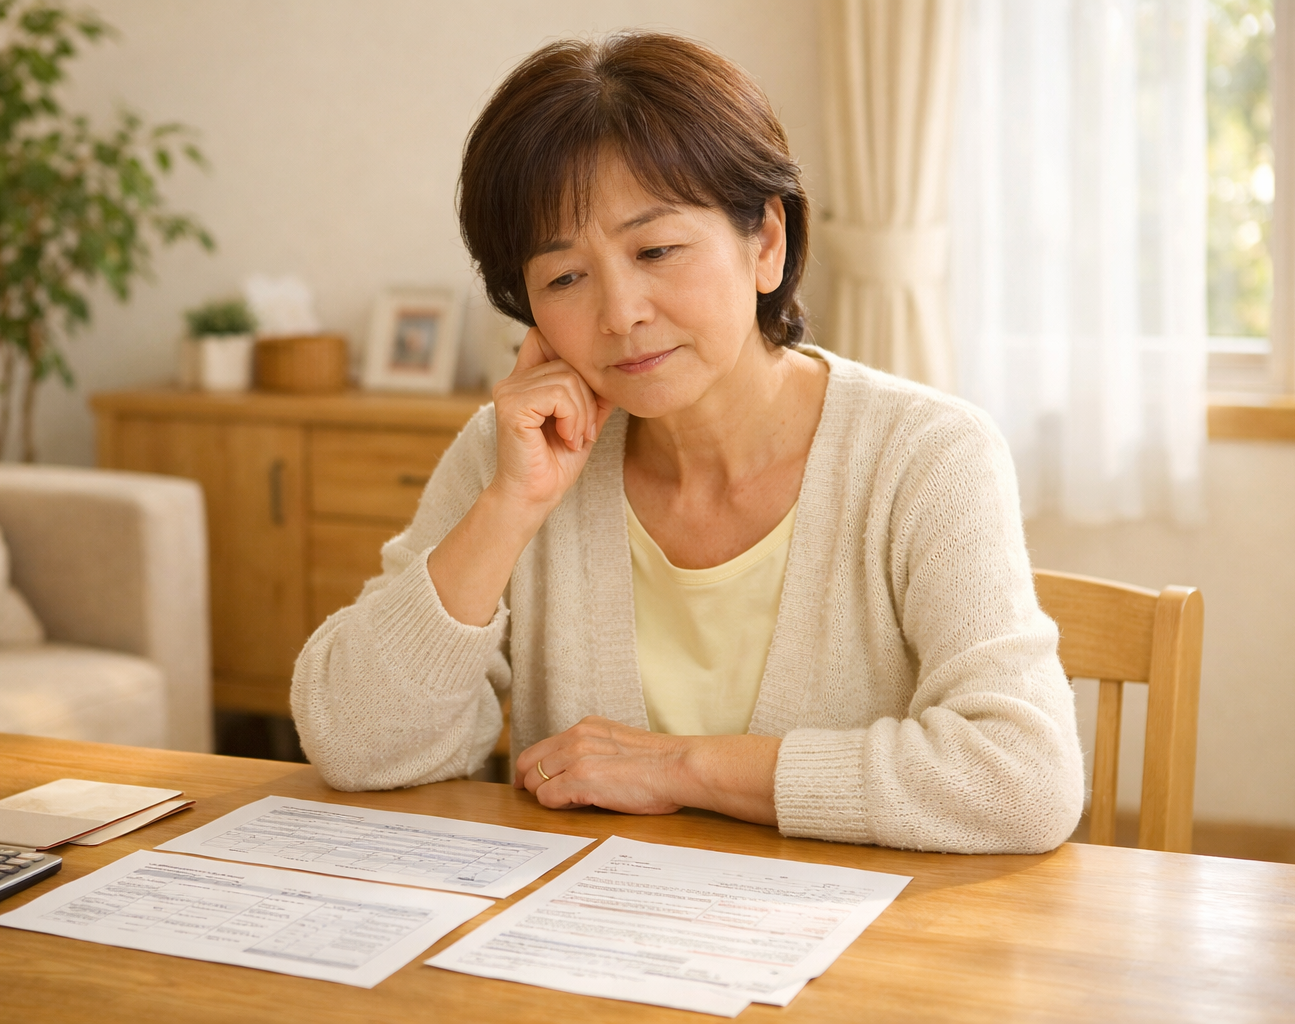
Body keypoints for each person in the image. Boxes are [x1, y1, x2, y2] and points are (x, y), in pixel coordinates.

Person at [291, 32, 1083, 854]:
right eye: (564, 278)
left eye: (657, 250)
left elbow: (1023, 779)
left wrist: (680, 769)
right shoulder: (515, 452)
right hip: (584, 923)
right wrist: (509, 508)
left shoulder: (928, 455)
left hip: (861, 927)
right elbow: (354, 745)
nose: (620, 313)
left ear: (766, 243)